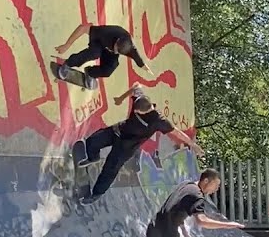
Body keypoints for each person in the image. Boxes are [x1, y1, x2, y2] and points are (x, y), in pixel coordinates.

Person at [75, 87, 204, 204]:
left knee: (110, 168)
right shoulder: (141, 98)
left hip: (127, 146)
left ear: (145, 111)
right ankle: (93, 156)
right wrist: (120, 98)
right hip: (118, 131)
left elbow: (177, 132)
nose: (134, 112)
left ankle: (96, 193)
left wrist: (193, 144)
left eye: (137, 112)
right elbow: (136, 87)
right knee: (93, 140)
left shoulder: (159, 121)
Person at [54, 22, 155, 82]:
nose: (115, 50)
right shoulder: (107, 32)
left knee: (109, 69)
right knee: (94, 53)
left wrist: (150, 72)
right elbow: (83, 28)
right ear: (117, 41)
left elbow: (141, 63)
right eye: (115, 48)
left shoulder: (131, 50)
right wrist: (66, 45)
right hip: (98, 42)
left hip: (109, 51)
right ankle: (68, 64)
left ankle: (90, 73)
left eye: (118, 51)